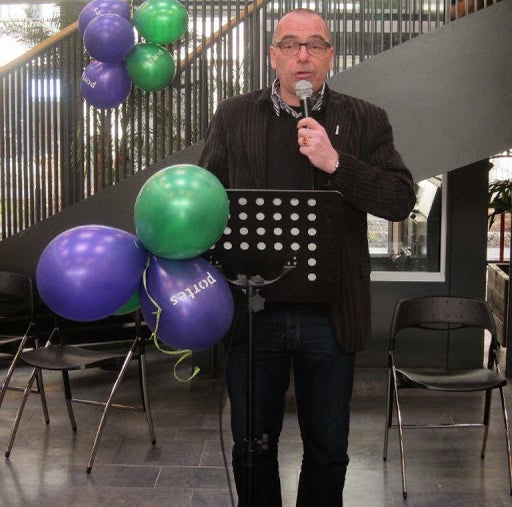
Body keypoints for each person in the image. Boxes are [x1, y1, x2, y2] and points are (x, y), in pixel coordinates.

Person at [198, 8, 416, 507]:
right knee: (252, 448)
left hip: (330, 317)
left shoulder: (365, 118)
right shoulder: (234, 116)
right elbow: (206, 199)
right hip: (254, 315)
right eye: (290, 45)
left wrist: (335, 162)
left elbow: (400, 199)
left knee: (328, 451)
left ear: (330, 56)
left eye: (315, 45)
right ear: (273, 55)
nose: (303, 55)